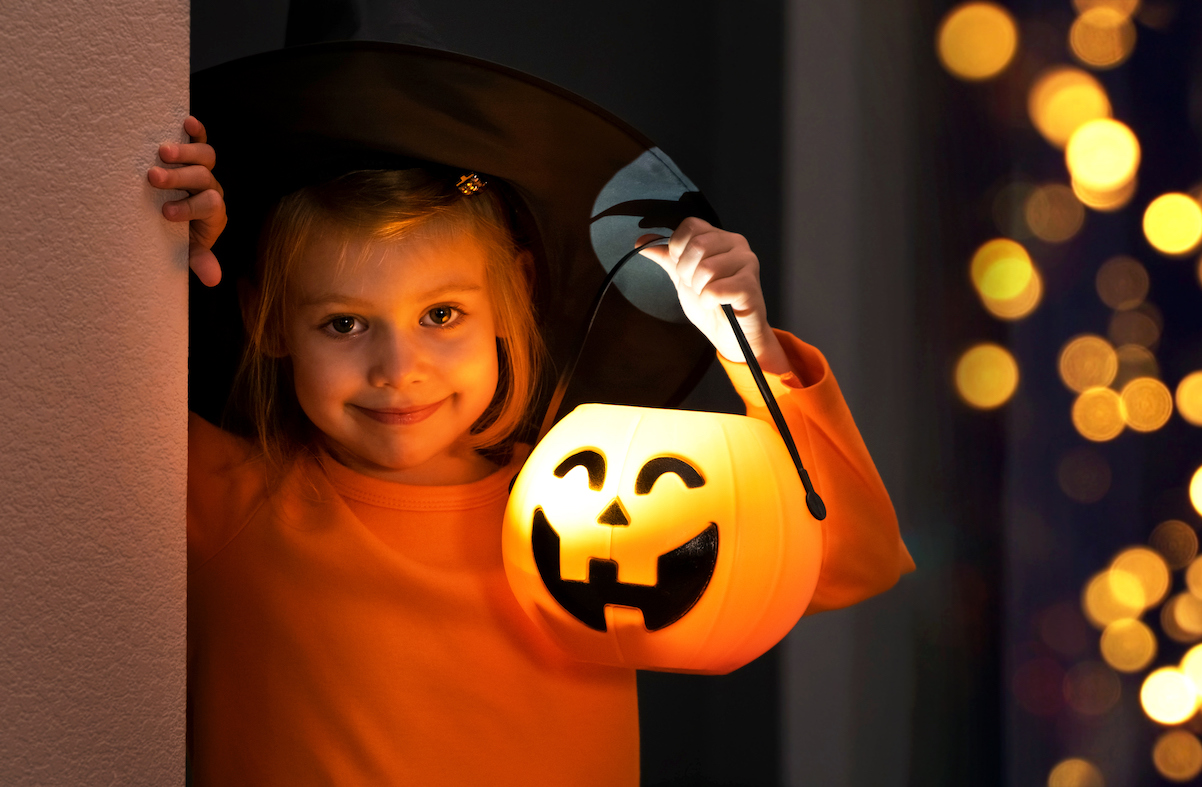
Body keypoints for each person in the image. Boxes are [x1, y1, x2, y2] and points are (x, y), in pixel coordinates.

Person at [154, 114, 913, 785]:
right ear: (269, 320)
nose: (397, 368)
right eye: (345, 324)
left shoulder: (595, 503)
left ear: (508, 299)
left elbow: (850, 561)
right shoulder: (223, 499)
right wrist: (150, 258)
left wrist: (749, 351)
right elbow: (43, 401)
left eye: (442, 313)